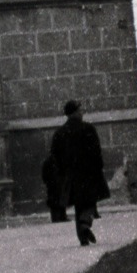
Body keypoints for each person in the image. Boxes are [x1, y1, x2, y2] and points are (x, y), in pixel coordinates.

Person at [47, 99, 110, 246]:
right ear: (75, 112)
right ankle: (85, 223)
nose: (82, 113)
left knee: (78, 205)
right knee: (90, 202)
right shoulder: (88, 129)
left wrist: (62, 172)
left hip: (70, 175)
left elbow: (55, 156)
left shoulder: (59, 133)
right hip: (89, 172)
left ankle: (82, 238)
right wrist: (99, 167)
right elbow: (96, 151)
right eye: (80, 110)